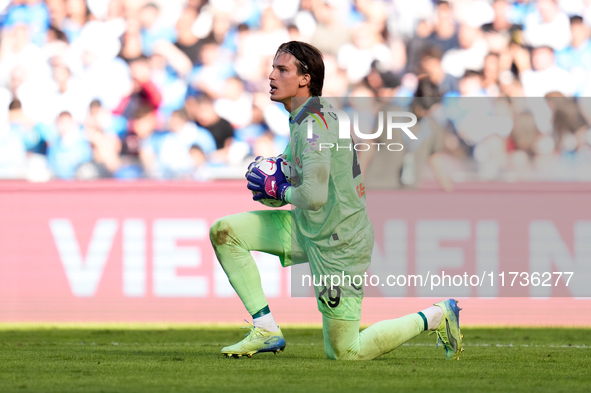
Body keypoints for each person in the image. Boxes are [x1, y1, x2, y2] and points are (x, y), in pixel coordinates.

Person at [209, 41, 463, 361]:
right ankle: (266, 329)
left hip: (339, 242)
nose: (271, 75)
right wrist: (277, 173)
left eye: (281, 69)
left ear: (304, 79)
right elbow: (301, 176)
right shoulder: (304, 116)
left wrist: (279, 190)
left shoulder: (314, 125)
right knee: (225, 231)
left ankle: (436, 315)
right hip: (308, 227)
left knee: (345, 353)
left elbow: (313, 197)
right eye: (273, 67)